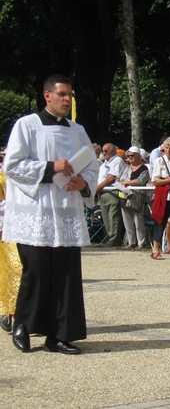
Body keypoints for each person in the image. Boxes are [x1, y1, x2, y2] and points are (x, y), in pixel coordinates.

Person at [3, 74, 99, 354]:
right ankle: (22, 324)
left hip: (66, 212)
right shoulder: (27, 125)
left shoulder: (77, 130)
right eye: (62, 94)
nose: (67, 100)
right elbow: (13, 165)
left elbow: (92, 167)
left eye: (70, 94)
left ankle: (58, 335)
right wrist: (51, 167)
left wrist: (84, 184)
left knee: (66, 276)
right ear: (47, 95)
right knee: (38, 273)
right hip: (36, 214)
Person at [0, 170, 22, 333]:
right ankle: (6, 310)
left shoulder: (7, 174)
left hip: (15, 227)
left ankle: (16, 314)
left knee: (17, 269)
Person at [119, 146, 149, 249]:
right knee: (127, 221)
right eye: (128, 155)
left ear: (138, 156)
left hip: (137, 197)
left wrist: (127, 183)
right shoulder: (126, 167)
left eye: (132, 155)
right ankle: (131, 242)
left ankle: (141, 242)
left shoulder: (144, 168)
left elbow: (141, 181)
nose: (130, 157)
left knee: (138, 220)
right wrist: (122, 184)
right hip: (124, 196)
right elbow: (119, 179)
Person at [96, 143, 125, 247]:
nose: (103, 153)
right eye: (102, 151)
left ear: (113, 151)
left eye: (106, 151)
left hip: (112, 192)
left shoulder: (117, 161)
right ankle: (110, 238)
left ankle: (115, 240)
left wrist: (98, 187)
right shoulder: (104, 163)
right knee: (106, 218)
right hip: (103, 193)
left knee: (114, 217)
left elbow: (112, 178)